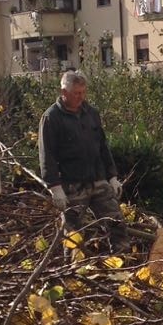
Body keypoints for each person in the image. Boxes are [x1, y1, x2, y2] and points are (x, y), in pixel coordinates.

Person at [39, 70, 127, 248]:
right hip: (72, 186)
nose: (81, 97)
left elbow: (102, 146)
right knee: (74, 235)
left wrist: (112, 177)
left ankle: (122, 260)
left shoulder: (91, 113)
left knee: (116, 224)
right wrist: (55, 188)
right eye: (76, 93)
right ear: (64, 92)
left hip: (98, 180)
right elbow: (46, 155)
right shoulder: (51, 118)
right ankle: (73, 270)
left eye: (83, 92)